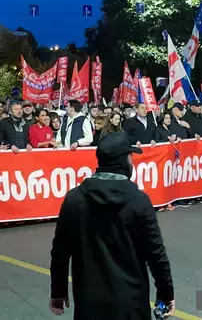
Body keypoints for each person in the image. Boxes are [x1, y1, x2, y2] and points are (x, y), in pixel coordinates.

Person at [49, 133, 175, 319]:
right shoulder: (138, 200)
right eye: (130, 157)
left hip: (89, 302)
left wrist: (58, 292)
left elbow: (60, 251)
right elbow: (155, 253)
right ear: (124, 160)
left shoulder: (75, 198)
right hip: (131, 302)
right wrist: (166, 293)